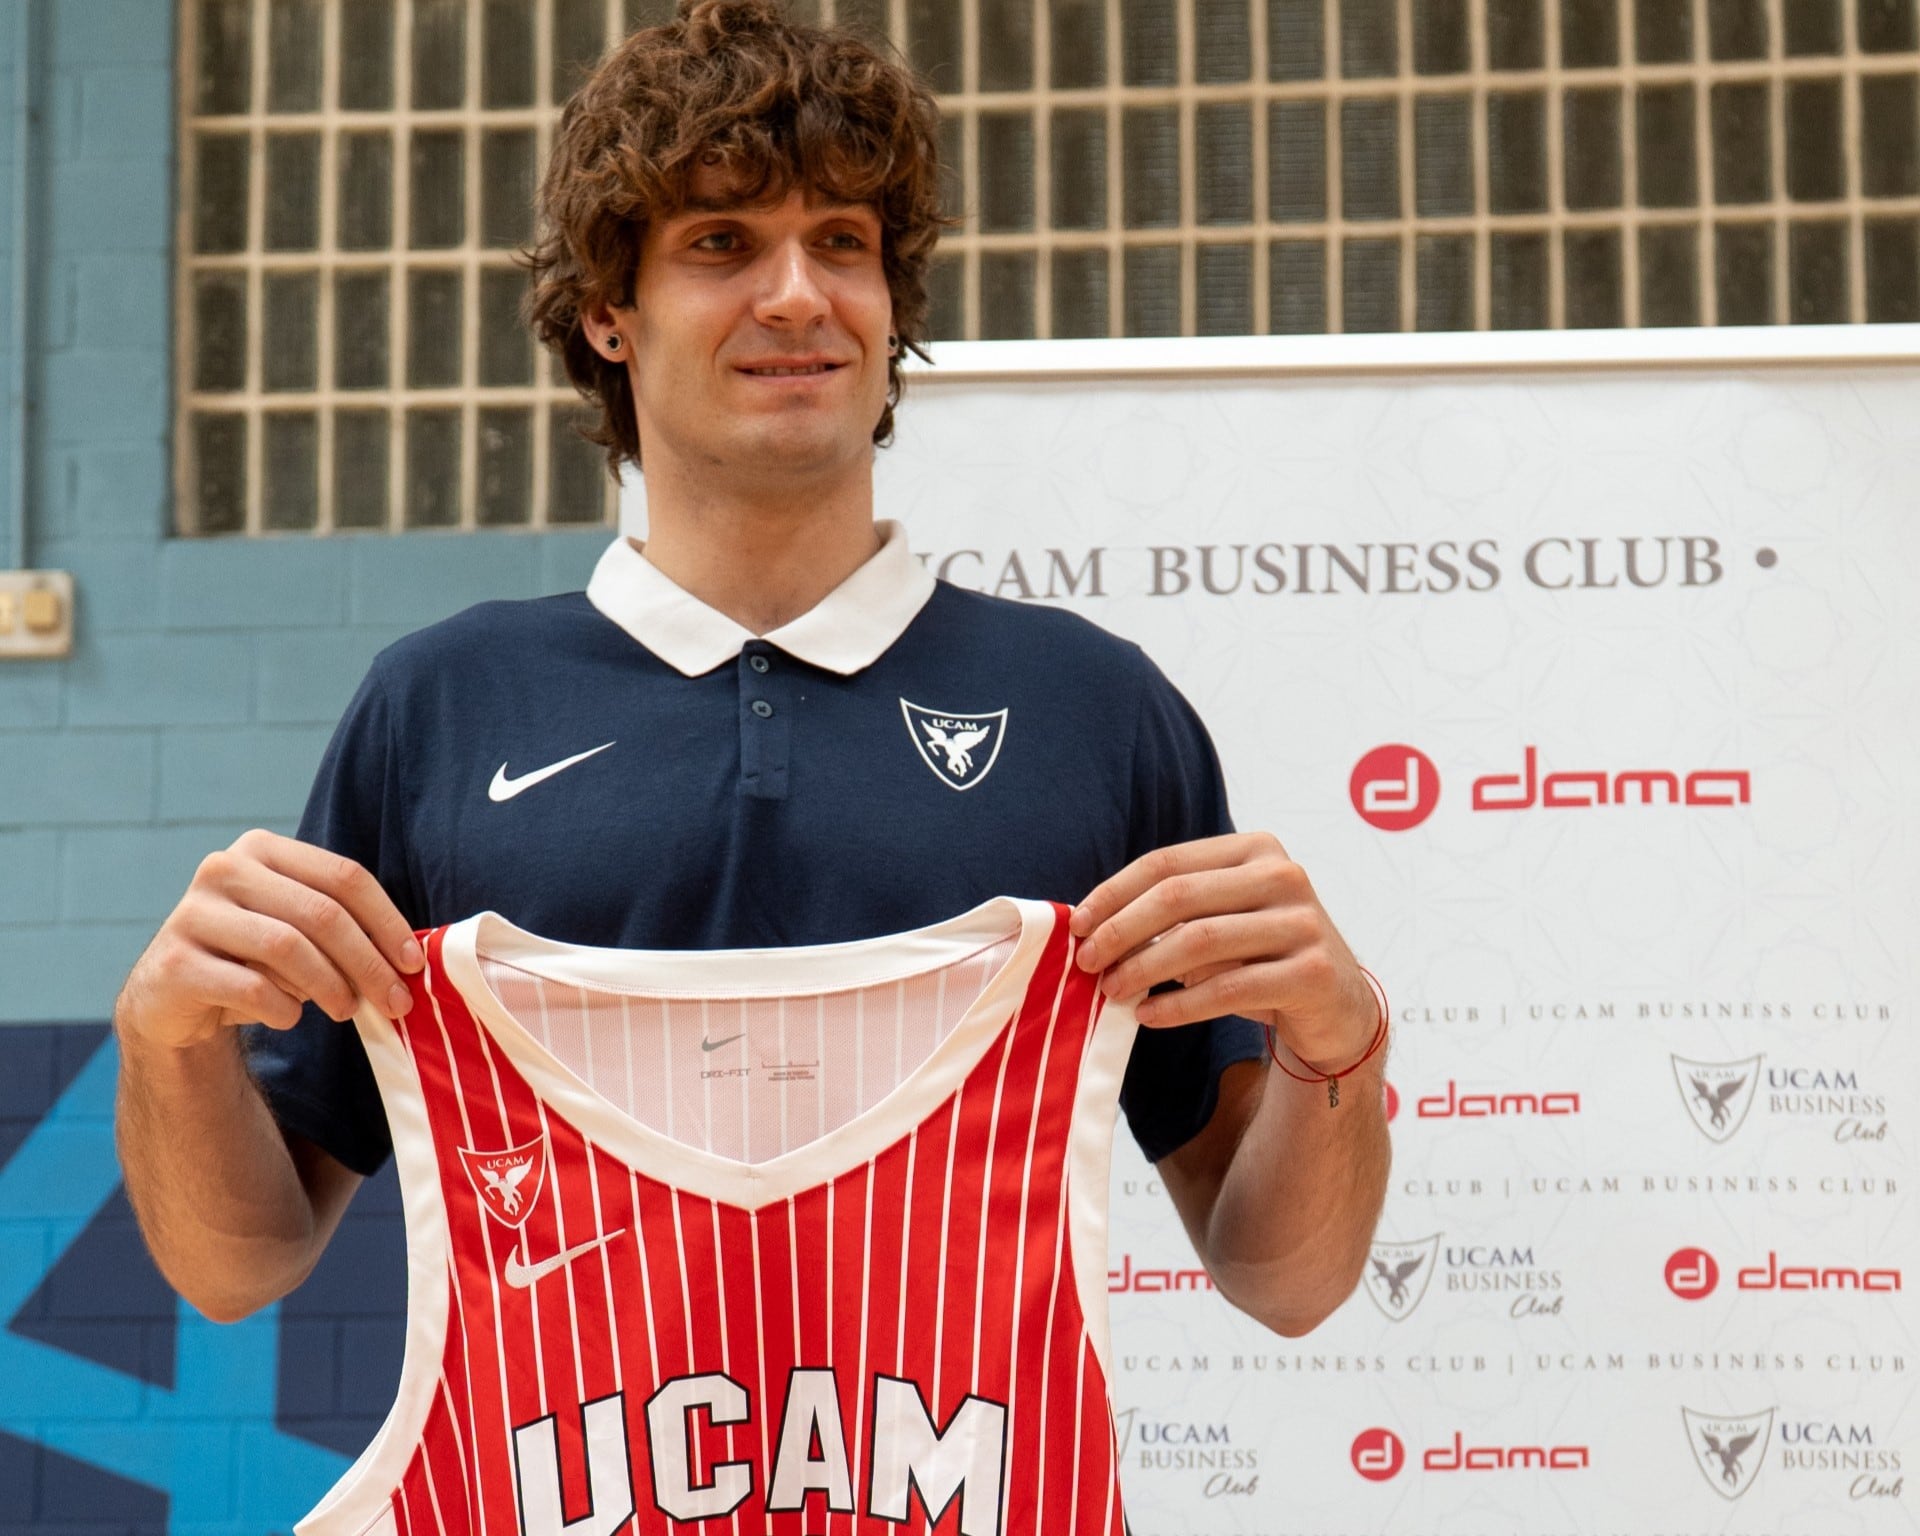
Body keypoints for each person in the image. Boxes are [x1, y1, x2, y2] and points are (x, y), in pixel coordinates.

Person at [114, 0, 1387, 1338]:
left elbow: (1283, 1277)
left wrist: (1339, 1038)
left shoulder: (1094, 707)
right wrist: (165, 1041)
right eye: (723, 243)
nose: (799, 293)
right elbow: (236, 1264)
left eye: (843, 242)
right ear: (610, 313)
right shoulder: (441, 705)